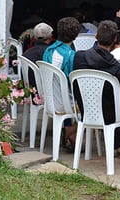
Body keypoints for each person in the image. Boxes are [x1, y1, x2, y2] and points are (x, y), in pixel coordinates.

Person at [72, 20, 120, 157]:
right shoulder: (116, 68)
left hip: (87, 109)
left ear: (96, 36)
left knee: (114, 104)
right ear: (115, 39)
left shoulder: (79, 57)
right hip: (111, 114)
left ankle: (118, 145)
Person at [42, 17, 82, 151]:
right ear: (76, 36)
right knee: (92, 104)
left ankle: (68, 131)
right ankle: (71, 133)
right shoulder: (70, 55)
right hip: (65, 103)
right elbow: (74, 83)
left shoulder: (48, 51)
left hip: (50, 99)